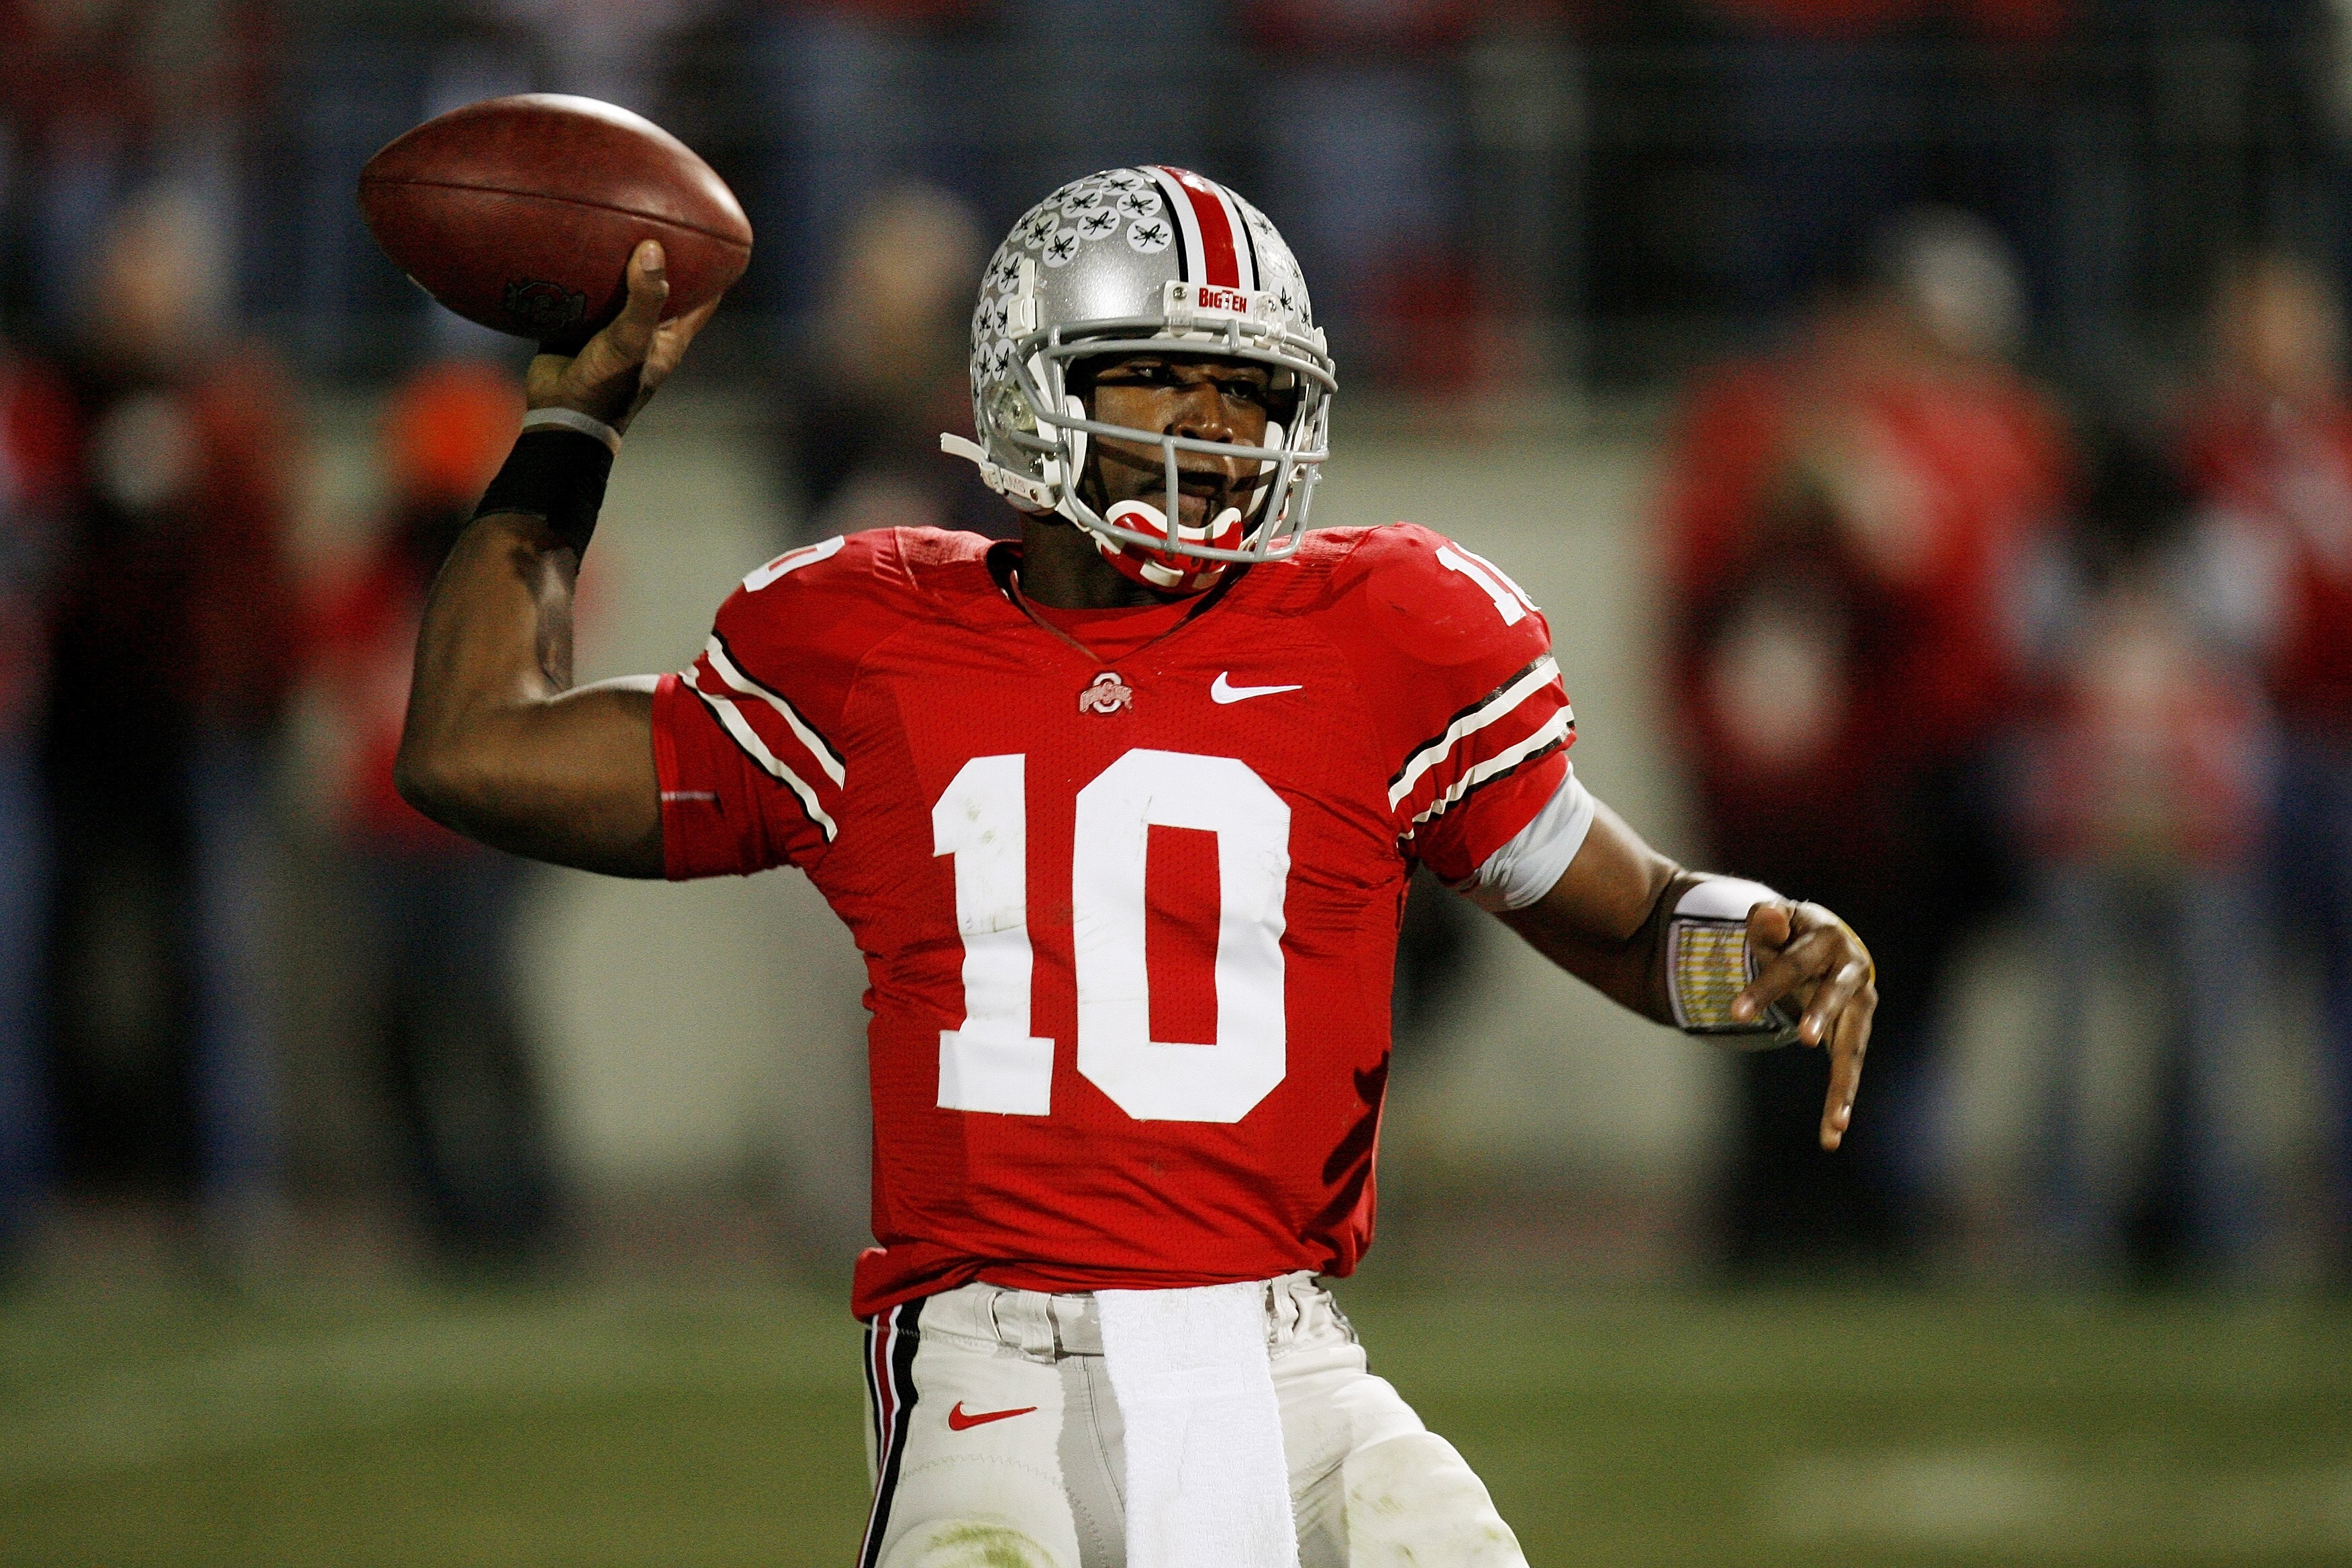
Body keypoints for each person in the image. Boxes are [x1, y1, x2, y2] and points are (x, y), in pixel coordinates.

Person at [393, 170, 1875, 1566]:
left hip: (1285, 1357)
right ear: (1031, 385)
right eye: (1166, 374)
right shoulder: (867, 640)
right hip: (986, 1355)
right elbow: (475, 747)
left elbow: (1621, 917)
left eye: (1251, 389)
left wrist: (1758, 949)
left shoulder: (1391, 634)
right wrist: (574, 431)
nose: (1218, 423)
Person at [1659, 209, 2063, 1277]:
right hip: (1758, 790)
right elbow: (1694, 583)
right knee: (1750, 1018)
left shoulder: (1958, 431)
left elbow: (1944, 593)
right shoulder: (1749, 417)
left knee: (1871, 1009)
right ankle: (1767, 1225)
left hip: (1874, 788)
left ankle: (1864, 1218)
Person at [305, 360, 561, 1265]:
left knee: (485, 1010)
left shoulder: (526, 561)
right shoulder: (377, 566)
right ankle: (442, 1210)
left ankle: (528, 1205)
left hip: (486, 824)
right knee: (402, 1024)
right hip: (390, 828)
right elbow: (334, 650)